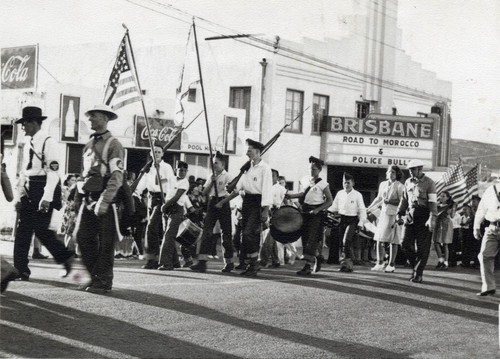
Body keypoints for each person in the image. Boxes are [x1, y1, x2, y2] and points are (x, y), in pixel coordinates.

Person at [13, 106, 74, 281]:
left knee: (41, 230)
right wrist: (20, 195)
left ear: (34, 123)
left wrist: (46, 198)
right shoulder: (27, 144)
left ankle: (65, 257)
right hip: (29, 188)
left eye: (24, 123)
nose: (22, 127)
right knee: (23, 230)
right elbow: (25, 173)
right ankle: (21, 269)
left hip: (43, 187)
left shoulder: (49, 142)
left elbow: (53, 173)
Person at [75, 104, 124, 293]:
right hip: (88, 197)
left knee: (106, 243)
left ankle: (103, 282)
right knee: (82, 237)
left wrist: (104, 201)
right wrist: (80, 195)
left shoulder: (114, 144)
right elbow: (83, 174)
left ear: (104, 118)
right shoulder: (89, 144)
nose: (89, 119)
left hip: (105, 198)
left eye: (93, 116)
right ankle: (93, 276)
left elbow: (117, 176)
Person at [217, 139, 273, 276]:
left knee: (249, 233)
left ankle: (254, 263)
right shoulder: (248, 167)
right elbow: (239, 186)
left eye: (250, 150)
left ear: (258, 152)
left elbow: (267, 190)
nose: (247, 152)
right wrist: (230, 188)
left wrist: (265, 209)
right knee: (244, 235)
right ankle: (251, 264)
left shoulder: (265, 168)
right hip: (246, 202)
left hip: (258, 202)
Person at [133, 142, 176, 269]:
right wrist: (137, 193)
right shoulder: (148, 168)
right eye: (154, 151)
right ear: (151, 153)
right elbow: (142, 183)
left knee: (151, 227)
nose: (156, 153)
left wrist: (168, 201)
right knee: (158, 230)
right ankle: (165, 259)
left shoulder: (167, 167)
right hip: (151, 199)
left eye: (159, 152)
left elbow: (172, 184)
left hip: (163, 198)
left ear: (162, 154)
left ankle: (152, 260)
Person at [287, 157, 333, 275]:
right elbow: (303, 194)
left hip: (316, 213)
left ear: (319, 169)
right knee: (305, 238)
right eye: (310, 169)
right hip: (305, 211)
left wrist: (318, 210)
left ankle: (307, 266)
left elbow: (329, 201)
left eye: (314, 169)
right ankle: (317, 257)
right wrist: (290, 196)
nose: (311, 171)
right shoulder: (305, 180)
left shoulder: (323, 184)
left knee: (311, 239)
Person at [191, 151, 235, 273]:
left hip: (223, 203)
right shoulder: (211, 175)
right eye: (213, 162)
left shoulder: (228, 176)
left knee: (226, 233)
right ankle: (202, 262)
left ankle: (229, 262)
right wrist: (212, 182)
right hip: (212, 203)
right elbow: (204, 193)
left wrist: (222, 202)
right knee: (206, 232)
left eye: (216, 163)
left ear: (223, 164)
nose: (214, 165)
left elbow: (235, 192)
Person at [396, 159, 437, 284]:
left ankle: (418, 273)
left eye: (412, 169)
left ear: (420, 169)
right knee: (404, 243)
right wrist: (399, 213)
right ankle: (416, 267)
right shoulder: (408, 182)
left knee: (422, 248)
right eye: (409, 170)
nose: (410, 172)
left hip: (424, 215)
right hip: (410, 215)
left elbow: (432, 203)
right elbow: (404, 200)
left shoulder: (429, 183)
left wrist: (432, 218)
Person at [329, 172, 366, 272]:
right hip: (342, 219)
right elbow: (334, 207)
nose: (346, 184)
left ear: (353, 183)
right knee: (342, 242)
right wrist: (327, 211)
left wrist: (361, 223)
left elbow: (362, 209)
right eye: (344, 182)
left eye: (348, 182)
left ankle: (349, 264)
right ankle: (344, 265)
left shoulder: (358, 195)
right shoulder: (340, 193)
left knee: (347, 241)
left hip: (352, 220)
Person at [370, 165, 405, 273]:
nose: (391, 174)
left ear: (397, 174)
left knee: (393, 240)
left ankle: (391, 264)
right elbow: (379, 198)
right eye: (389, 172)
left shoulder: (400, 186)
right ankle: (380, 263)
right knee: (379, 238)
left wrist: (389, 201)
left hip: (394, 215)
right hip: (384, 214)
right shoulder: (383, 184)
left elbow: (402, 201)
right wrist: (370, 207)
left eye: (393, 172)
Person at [158, 161, 190, 270]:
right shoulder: (171, 178)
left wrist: (165, 205)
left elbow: (177, 196)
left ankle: (166, 264)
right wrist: (157, 170)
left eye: (185, 170)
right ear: (176, 169)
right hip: (168, 210)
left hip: (176, 209)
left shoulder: (185, 183)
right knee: (168, 236)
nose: (182, 172)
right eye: (180, 170)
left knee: (169, 236)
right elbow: (159, 182)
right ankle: (175, 262)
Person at [473, 182, 500, 296]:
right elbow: (482, 208)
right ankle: (488, 286)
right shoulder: (491, 189)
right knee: (484, 255)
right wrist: (476, 226)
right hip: (493, 227)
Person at [259, 169, 286, 268]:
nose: (270, 178)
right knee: (272, 238)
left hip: (278, 214)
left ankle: (262, 260)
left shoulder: (281, 189)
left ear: (277, 178)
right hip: (268, 213)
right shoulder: (266, 188)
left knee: (269, 238)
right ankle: (275, 260)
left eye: (272, 176)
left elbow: (287, 200)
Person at [432, 191, 456, 270]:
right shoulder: (437, 206)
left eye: (443, 196)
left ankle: (445, 262)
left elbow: (452, 216)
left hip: (446, 224)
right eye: (440, 196)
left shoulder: (450, 206)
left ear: (448, 198)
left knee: (445, 244)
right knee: (436, 242)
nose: (441, 198)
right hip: (438, 224)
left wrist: (453, 208)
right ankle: (440, 260)